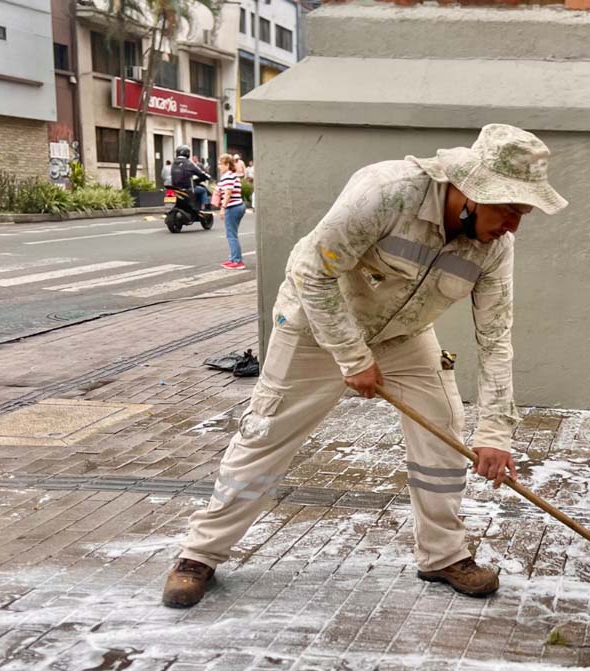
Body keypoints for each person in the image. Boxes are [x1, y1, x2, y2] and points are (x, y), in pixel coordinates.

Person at [162, 124, 567, 609]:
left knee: (444, 429)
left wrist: (496, 433)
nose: (513, 226)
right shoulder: (387, 191)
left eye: (523, 214)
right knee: (265, 435)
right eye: (509, 209)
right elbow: (312, 271)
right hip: (314, 325)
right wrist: (352, 357)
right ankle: (199, 555)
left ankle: (443, 555)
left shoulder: (495, 246)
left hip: (404, 336)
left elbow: (496, 337)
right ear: (472, 190)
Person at [217, 154, 247, 270]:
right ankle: (234, 258)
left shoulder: (228, 176)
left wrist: (222, 208)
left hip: (232, 207)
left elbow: (228, 193)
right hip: (238, 205)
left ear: (227, 164)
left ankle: (237, 261)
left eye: (221, 164)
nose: (219, 166)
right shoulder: (233, 175)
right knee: (233, 234)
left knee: (231, 235)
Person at [170, 145, 210, 211]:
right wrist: (208, 176)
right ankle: (203, 208)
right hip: (187, 188)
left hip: (174, 188)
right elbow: (200, 172)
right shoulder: (189, 163)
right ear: (187, 153)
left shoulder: (174, 163)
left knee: (169, 195)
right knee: (203, 190)